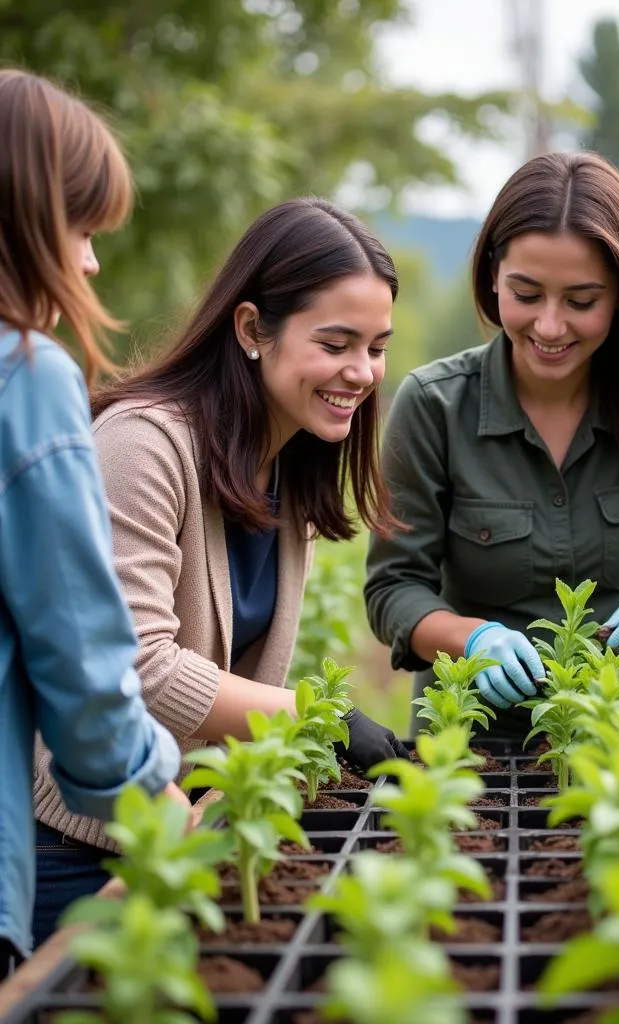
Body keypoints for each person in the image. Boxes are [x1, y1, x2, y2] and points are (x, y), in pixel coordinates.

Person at [31, 197, 410, 944]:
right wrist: (319, 718)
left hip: (185, 829)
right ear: (250, 330)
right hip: (79, 846)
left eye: (376, 346)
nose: (361, 372)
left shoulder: (287, 463)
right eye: (336, 343)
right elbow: (137, 666)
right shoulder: (143, 445)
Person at [364, 151, 619, 737]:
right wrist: (473, 639)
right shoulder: (435, 406)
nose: (551, 326)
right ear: (492, 275)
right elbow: (393, 589)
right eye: (527, 294)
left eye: (582, 301)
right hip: (471, 742)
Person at [0, 69, 185, 970]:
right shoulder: (26, 377)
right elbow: (83, 663)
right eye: (80, 231)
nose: (90, 262)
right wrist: (155, 793)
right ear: (28, 225)